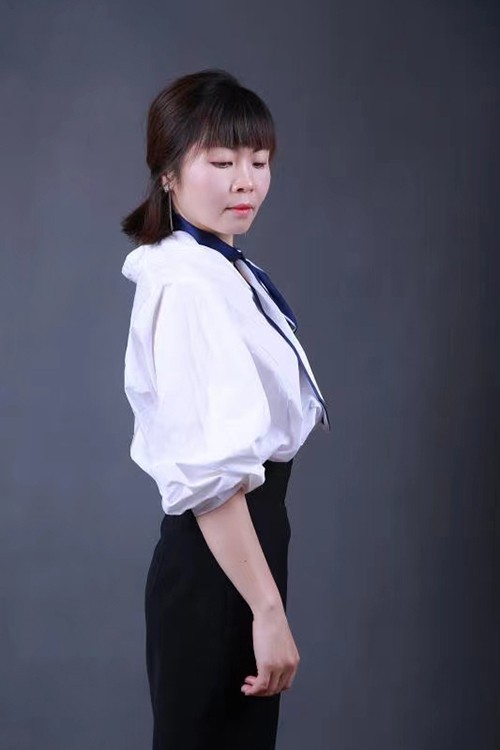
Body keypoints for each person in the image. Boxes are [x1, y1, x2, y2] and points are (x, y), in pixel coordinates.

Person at [119, 68, 330, 750]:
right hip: (222, 559)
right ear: (168, 174)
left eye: (259, 162)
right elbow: (211, 478)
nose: (246, 182)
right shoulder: (185, 284)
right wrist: (266, 610)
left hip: (246, 549)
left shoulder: (219, 269)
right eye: (221, 162)